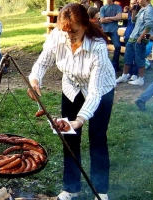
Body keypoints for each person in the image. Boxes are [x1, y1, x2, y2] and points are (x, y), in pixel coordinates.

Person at [28, 3, 116, 200]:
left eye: (74, 31)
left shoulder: (98, 48)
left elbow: (94, 92)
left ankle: (100, 191)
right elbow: (43, 62)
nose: (68, 36)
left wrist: (81, 119)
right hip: (71, 87)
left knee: (98, 138)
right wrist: (34, 80)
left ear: (85, 24)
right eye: (65, 31)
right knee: (70, 137)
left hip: (101, 89)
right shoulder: (58, 36)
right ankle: (71, 187)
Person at [115, 0, 153, 86]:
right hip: (132, 37)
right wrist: (133, 11)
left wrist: (140, 39)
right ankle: (124, 76)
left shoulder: (149, 10)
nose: (138, 1)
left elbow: (149, 25)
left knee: (139, 59)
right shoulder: (142, 9)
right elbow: (133, 21)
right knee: (127, 56)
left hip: (140, 38)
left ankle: (140, 79)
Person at [100, 0, 122, 72]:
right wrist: (113, 18)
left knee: (118, 46)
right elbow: (102, 20)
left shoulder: (118, 7)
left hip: (114, 30)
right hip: (104, 30)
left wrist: (107, 18)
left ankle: (115, 65)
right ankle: (103, 64)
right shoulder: (103, 8)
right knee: (102, 47)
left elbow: (119, 17)